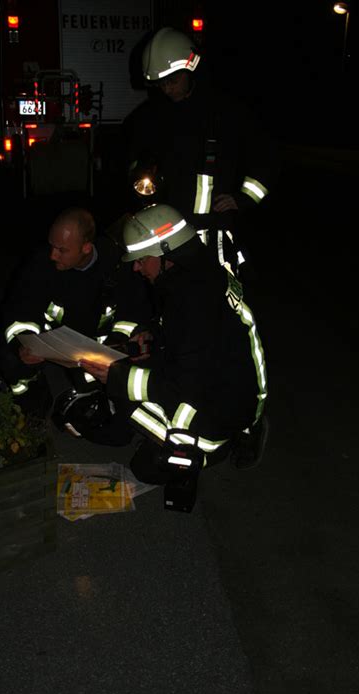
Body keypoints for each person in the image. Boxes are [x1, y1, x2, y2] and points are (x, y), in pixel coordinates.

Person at [79, 204, 268, 508]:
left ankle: (211, 449)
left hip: (221, 411)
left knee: (144, 461)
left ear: (165, 253)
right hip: (237, 393)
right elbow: (196, 343)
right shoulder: (203, 273)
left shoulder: (191, 298)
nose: (137, 269)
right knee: (137, 372)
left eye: (141, 261)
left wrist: (115, 376)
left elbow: (184, 386)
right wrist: (153, 331)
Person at [120, 26, 279, 275]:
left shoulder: (226, 112)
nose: (167, 89)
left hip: (213, 232)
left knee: (219, 299)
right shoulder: (150, 116)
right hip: (166, 234)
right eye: (161, 84)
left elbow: (265, 157)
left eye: (173, 81)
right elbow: (130, 157)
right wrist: (139, 174)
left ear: (191, 67)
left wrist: (243, 198)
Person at [0, 206, 119, 417]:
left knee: (97, 391)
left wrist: (118, 340)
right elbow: (18, 306)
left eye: (62, 250)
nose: (53, 255)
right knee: (8, 355)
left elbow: (134, 310)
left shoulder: (114, 263)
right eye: (52, 245)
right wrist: (22, 342)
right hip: (53, 340)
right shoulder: (40, 263)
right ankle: (31, 398)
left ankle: (93, 397)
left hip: (95, 347)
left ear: (86, 248)